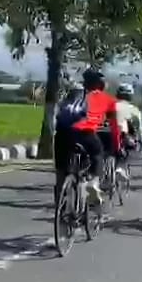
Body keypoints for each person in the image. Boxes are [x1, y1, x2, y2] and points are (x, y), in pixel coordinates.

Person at [54, 69, 121, 204]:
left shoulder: (72, 95)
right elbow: (114, 125)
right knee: (97, 152)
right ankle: (93, 182)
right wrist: (117, 144)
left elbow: (59, 114)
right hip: (84, 133)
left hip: (62, 134)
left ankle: (60, 199)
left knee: (62, 169)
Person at [113, 83, 142, 180]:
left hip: (104, 133)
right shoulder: (133, 109)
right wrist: (140, 138)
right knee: (131, 146)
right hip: (122, 134)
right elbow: (138, 126)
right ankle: (120, 167)